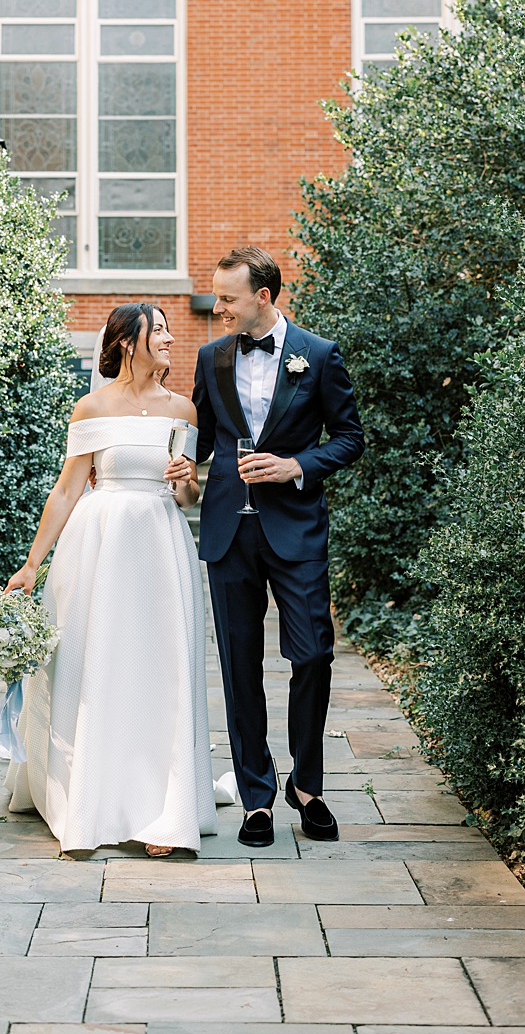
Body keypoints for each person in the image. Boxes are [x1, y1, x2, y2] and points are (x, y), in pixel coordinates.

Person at [5, 303, 213, 857]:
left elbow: (186, 497)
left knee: (160, 670)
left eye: (169, 329)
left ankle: (163, 812)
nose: (170, 338)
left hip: (161, 548)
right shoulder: (91, 407)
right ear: (127, 342)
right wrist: (31, 564)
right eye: (159, 331)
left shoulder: (183, 409)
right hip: (98, 550)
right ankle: (89, 800)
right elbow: (69, 489)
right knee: (95, 667)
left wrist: (188, 481)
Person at [193, 245, 364, 849]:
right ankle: (257, 798)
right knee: (240, 669)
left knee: (313, 653)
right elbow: (200, 441)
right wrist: (179, 470)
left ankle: (307, 786)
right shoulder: (211, 358)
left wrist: (294, 464)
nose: (219, 309)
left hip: (295, 530)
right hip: (227, 533)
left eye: (229, 298)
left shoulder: (318, 356)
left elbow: (349, 439)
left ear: (263, 298)